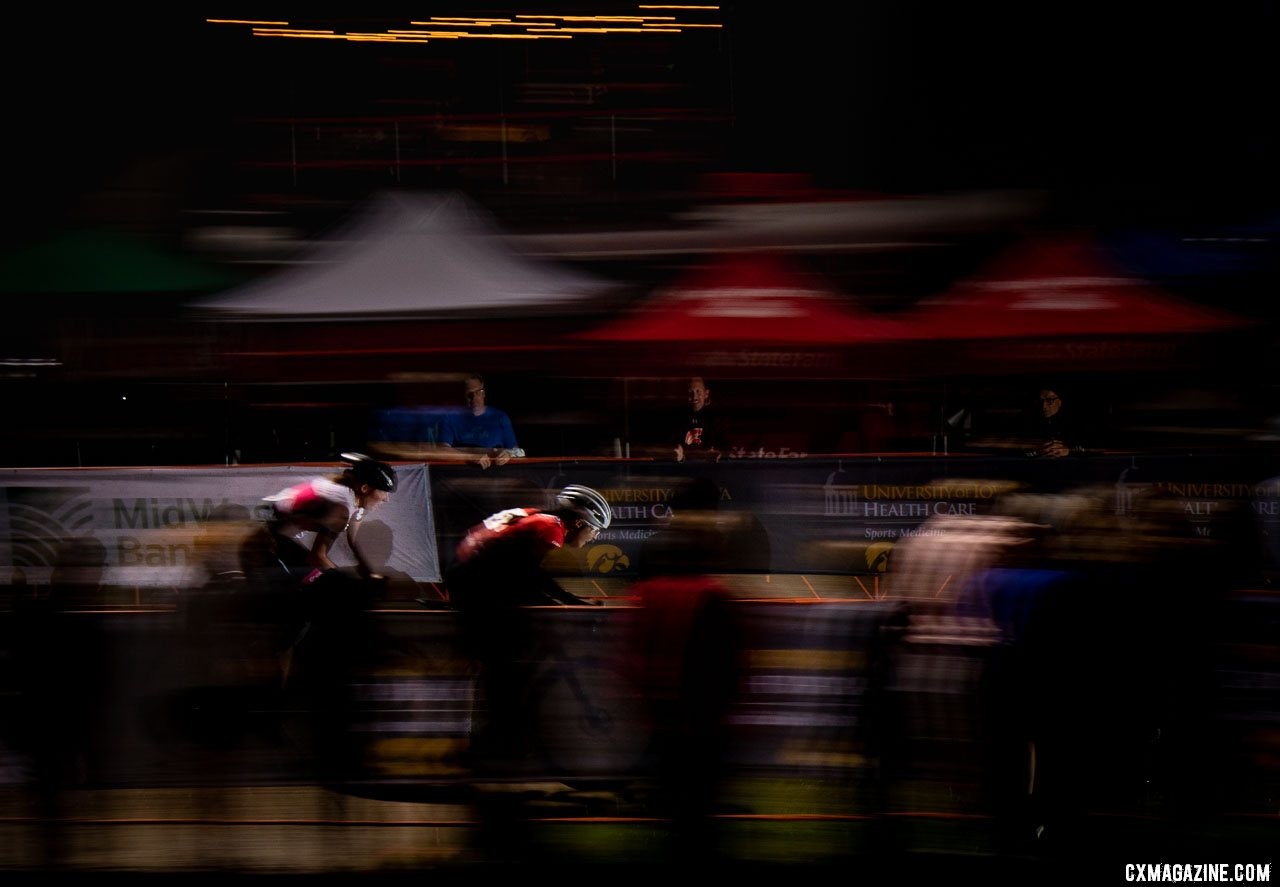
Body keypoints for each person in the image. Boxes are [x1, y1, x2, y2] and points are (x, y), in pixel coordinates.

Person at [241, 452, 397, 589]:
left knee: (318, 583)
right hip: (264, 543)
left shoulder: (356, 502)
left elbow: (353, 543)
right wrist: (349, 583)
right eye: (384, 492)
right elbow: (317, 556)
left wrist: (369, 573)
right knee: (314, 589)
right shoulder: (342, 507)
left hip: (274, 538)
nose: (387, 499)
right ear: (365, 488)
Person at [441, 374, 525, 469]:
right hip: (462, 474)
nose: (474, 399)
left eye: (478, 392)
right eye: (469, 395)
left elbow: (518, 451)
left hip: (496, 475)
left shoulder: (500, 417)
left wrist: (509, 454)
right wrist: (470, 457)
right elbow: (443, 450)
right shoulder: (451, 418)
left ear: (484, 393)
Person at [675, 376, 721, 462]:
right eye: (690, 392)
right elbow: (676, 446)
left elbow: (718, 448)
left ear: (706, 394)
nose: (694, 396)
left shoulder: (714, 419)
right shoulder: (679, 418)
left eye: (698, 391)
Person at [1029, 386, 1078, 458]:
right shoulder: (1029, 423)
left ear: (1060, 401)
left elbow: (1089, 449)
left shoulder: (1075, 424)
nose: (1043, 406)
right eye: (1040, 401)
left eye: (1049, 400)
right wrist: (1036, 452)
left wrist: (1068, 450)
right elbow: (1023, 453)